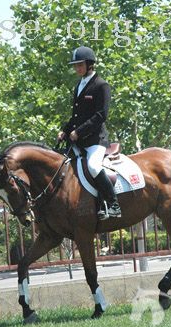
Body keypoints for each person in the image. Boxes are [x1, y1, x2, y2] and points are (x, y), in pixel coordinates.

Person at [57, 46, 121, 220]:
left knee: (93, 166)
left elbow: (101, 115)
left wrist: (79, 131)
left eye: (80, 65)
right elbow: (76, 116)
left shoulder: (101, 85)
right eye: (75, 65)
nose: (77, 68)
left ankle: (113, 203)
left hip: (95, 140)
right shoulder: (79, 85)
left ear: (89, 64)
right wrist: (65, 130)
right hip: (78, 141)